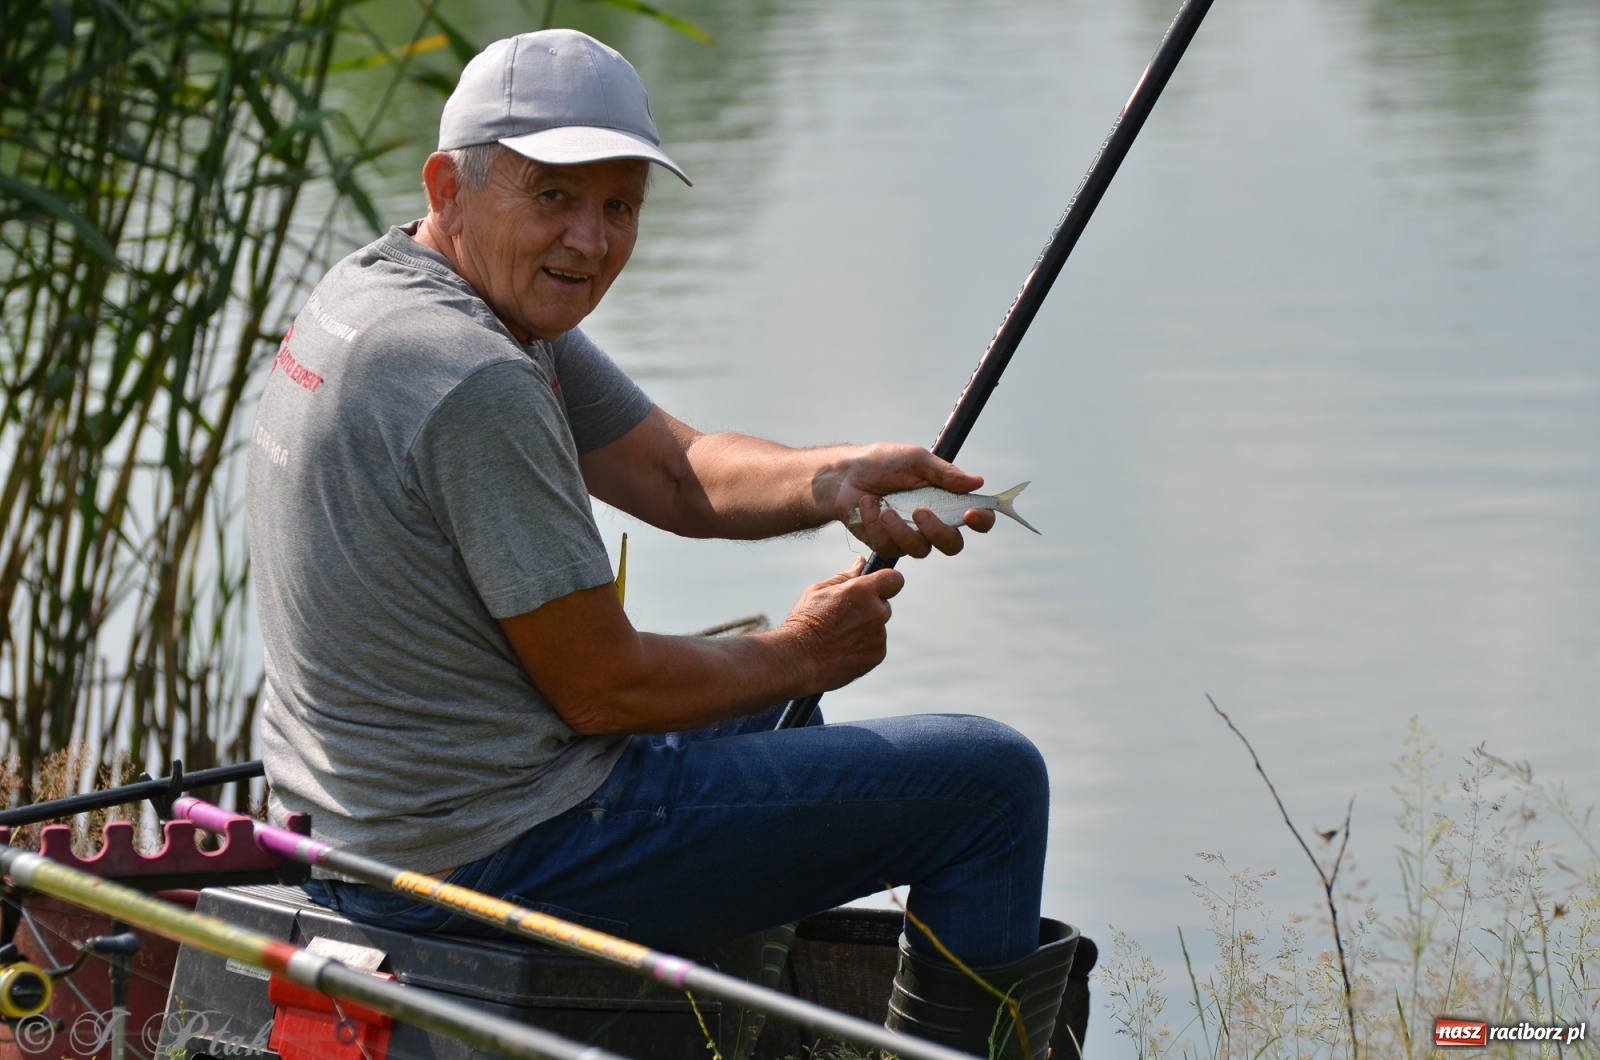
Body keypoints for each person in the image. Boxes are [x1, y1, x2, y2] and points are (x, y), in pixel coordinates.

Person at [248, 28, 1076, 1059]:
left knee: (777, 704)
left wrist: (835, 479)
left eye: (618, 205)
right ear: (449, 186)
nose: (589, 241)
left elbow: (672, 471)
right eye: (552, 195)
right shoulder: (471, 373)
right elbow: (601, 691)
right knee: (989, 784)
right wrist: (803, 649)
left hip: (372, 827)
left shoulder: (402, 293)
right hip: (485, 856)